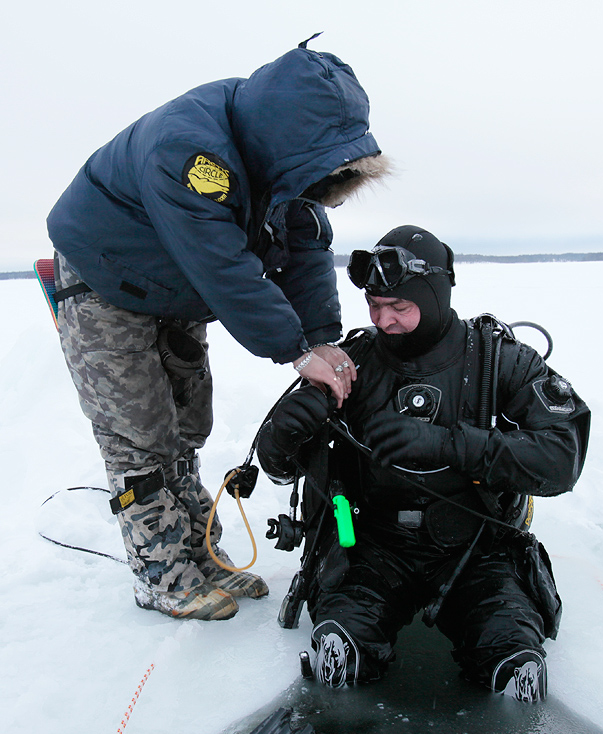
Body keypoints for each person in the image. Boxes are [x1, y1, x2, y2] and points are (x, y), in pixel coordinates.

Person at [46, 39, 389, 621]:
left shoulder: (281, 162)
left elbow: (303, 247)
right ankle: (161, 572)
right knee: (140, 429)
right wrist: (292, 351)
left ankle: (199, 554)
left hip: (175, 288)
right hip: (105, 280)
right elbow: (222, 265)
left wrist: (321, 337)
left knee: (187, 422)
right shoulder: (189, 150)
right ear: (289, 137)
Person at [256, 224, 590, 702]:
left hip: (477, 548)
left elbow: (562, 459)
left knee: (511, 653)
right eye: (374, 305)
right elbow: (279, 468)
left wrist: (449, 445)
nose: (384, 320)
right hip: (370, 545)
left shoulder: (499, 360)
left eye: (400, 308)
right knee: (341, 641)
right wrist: (285, 428)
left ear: (434, 298)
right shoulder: (351, 363)